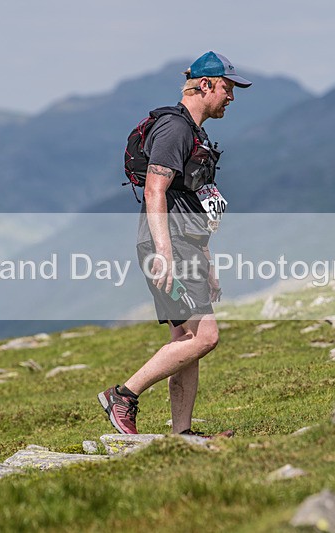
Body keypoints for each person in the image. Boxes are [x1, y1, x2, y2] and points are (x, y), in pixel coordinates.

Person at [98, 51, 252, 436]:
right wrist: (165, 254)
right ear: (205, 85)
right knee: (205, 337)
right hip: (167, 244)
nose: (231, 96)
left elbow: (192, 202)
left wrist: (207, 264)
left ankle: (181, 433)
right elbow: (155, 190)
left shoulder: (195, 133)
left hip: (185, 244)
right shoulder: (175, 129)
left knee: (185, 339)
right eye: (227, 87)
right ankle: (123, 395)